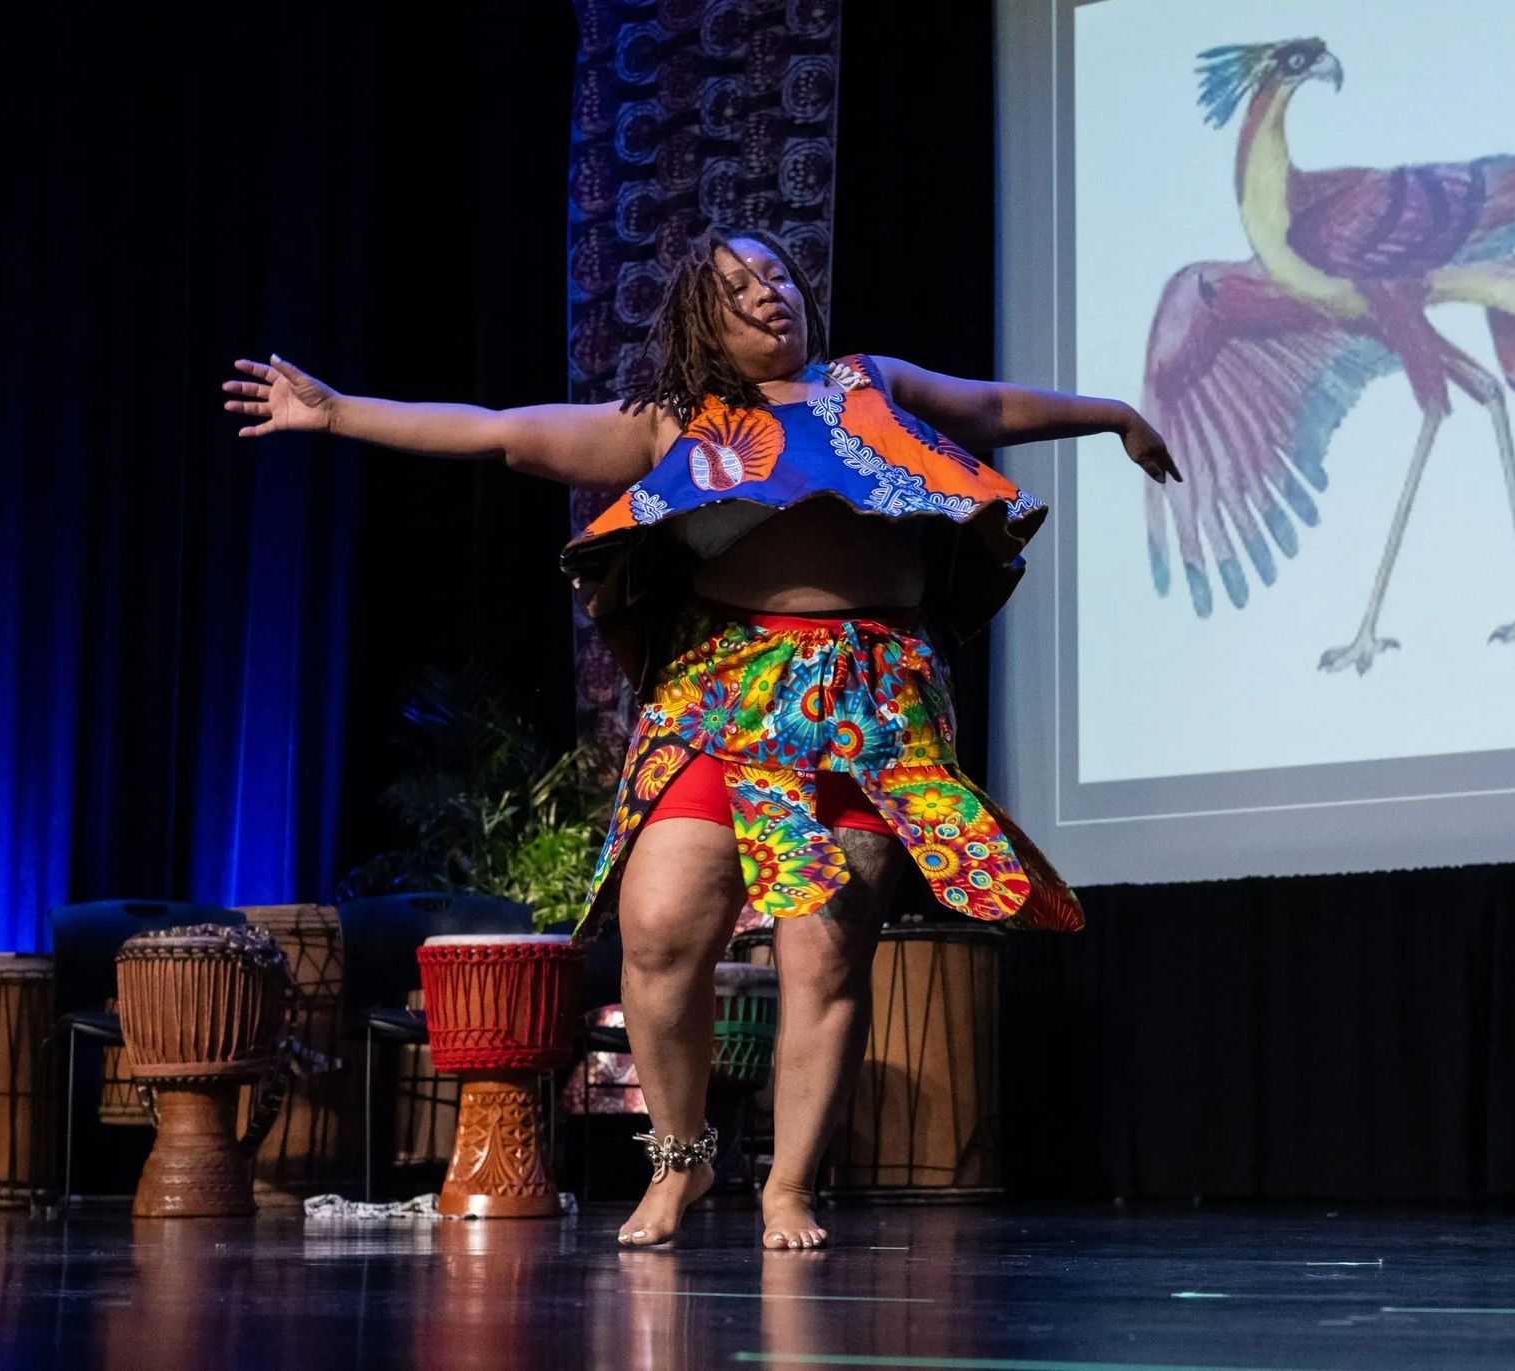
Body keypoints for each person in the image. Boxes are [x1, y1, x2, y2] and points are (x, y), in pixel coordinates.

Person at [223, 227, 1179, 1249]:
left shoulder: (868, 383)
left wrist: (1112, 415)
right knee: (662, 927)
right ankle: (681, 1160)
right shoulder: (675, 425)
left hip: (868, 701)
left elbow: (988, 408)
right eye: (737, 287)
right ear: (701, 322)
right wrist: (336, 414)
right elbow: (503, 432)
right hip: (720, 695)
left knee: (825, 953)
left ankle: (788, 1188)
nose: (769, 293)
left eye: (775, 274)